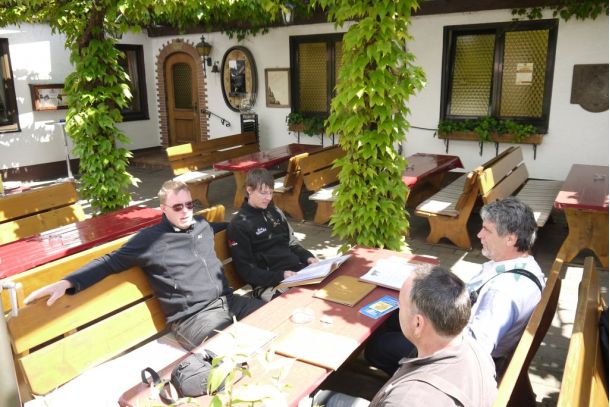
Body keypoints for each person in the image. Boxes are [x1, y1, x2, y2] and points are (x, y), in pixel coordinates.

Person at [24, 180, 264, 351]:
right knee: (235, 350)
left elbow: (226, 228)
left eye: (189, 205)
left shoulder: (201, 226)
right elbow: (108, 262)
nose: (185, 212)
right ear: (163, 209)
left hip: (228, 302)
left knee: (274, 317)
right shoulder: (150, 241)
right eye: (177, 207)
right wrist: (67, 282)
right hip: (194, 319)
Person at [365, 196, 545, 376]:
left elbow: (475, 348)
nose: (479, 235)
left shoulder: (502, 293)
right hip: (455, 326)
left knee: (378, 347)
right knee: (393, 316)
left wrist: (430, 333)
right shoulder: (527, 266)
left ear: (510, 239)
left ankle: (411, 378)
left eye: (487, 230)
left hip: (449, 354)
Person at [313, 266, 498, 407]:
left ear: (418, 323)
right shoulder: (475, 349)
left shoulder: (408, 398)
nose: (397, 310)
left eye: (400, 305)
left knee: (312, 398)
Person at [227, 168, 317, 301]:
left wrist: (308, 257)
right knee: (305, 301)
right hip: (270, 284)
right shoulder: (239, 225)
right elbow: (247, 271)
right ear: (249, 190)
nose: (268, 198)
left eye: (270, 192)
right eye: (263, 193)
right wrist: (281, 276)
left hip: (296, 272)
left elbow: (292, 243)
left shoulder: (275, 211)